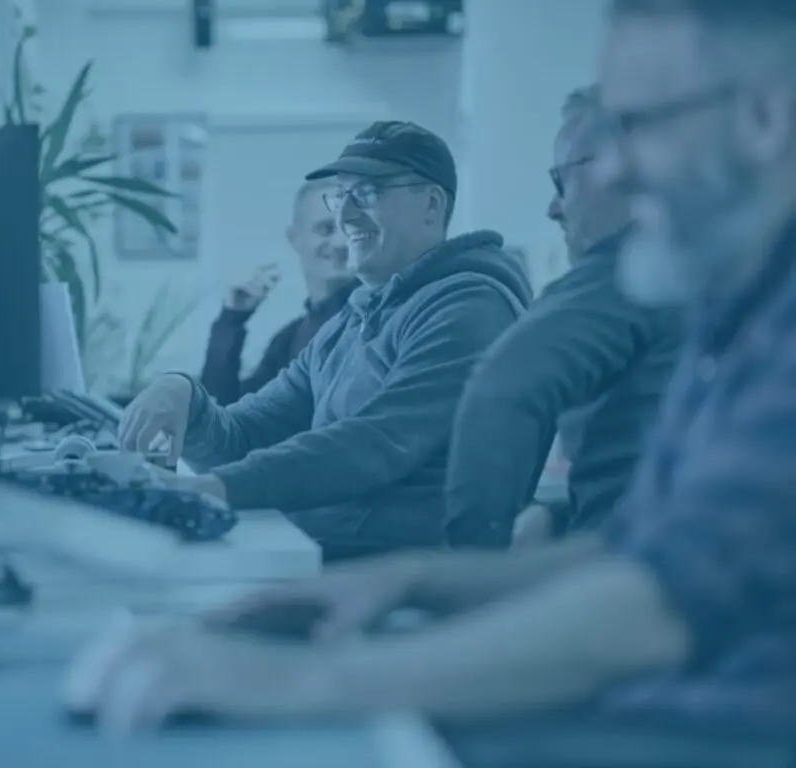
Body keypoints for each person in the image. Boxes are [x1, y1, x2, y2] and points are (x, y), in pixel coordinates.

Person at [70, 0, 796, 731]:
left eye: (639, 127)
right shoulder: (730, 315)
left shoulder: (776, 334)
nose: (610, 172)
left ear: (765, 117)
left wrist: (299, 679)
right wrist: (414, 581)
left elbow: (658, 609)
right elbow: (639, 556)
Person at [120, 121, 532, 559]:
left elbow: (375, 443)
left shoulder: (470, 308)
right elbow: (247, 434)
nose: (345, 215)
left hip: (402, 573)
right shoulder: (350, 321)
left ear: (432, 204)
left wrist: (216, 488)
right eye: (342, 195)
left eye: (367, 193)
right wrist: (184, 397)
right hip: (325, 555)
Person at [444, 84, 684, 550]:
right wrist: (557, 514)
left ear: (619, 169)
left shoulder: (627, 274)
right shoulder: (722, 275)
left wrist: (472, 560)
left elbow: (501, 390)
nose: (553, 208)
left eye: (561, 182)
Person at [199, 180, 357, 406]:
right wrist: (232, 319)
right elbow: (225, 408)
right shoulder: (290, 338)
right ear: (294, 238)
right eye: (325, 229)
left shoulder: (382, 323)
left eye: (350, 228)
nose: (341, 243)